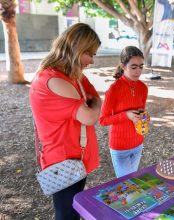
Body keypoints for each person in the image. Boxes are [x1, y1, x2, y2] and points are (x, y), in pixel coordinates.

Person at [29, 23, 101, 220]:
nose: (92, 61)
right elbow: (90, 116)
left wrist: (93, 103)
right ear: (77, 50)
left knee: (72, 211)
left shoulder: (70, 76)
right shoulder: (55, 80)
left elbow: (95, 97)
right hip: (64, 161)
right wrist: (93, 104)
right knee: (67, 215)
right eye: (90, 54)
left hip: (73, 160)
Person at [100, 46, 148, 178]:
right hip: (119, 146)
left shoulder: (143, 88)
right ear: (123, 66)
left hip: (138, 142)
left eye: (141, 66)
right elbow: (103, 120)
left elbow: (141, 111)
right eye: (133, 67)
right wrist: (126, 115)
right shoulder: (114, 89)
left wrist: (144, 118)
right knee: (125, 184)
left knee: (133, 179)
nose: (138, 71)